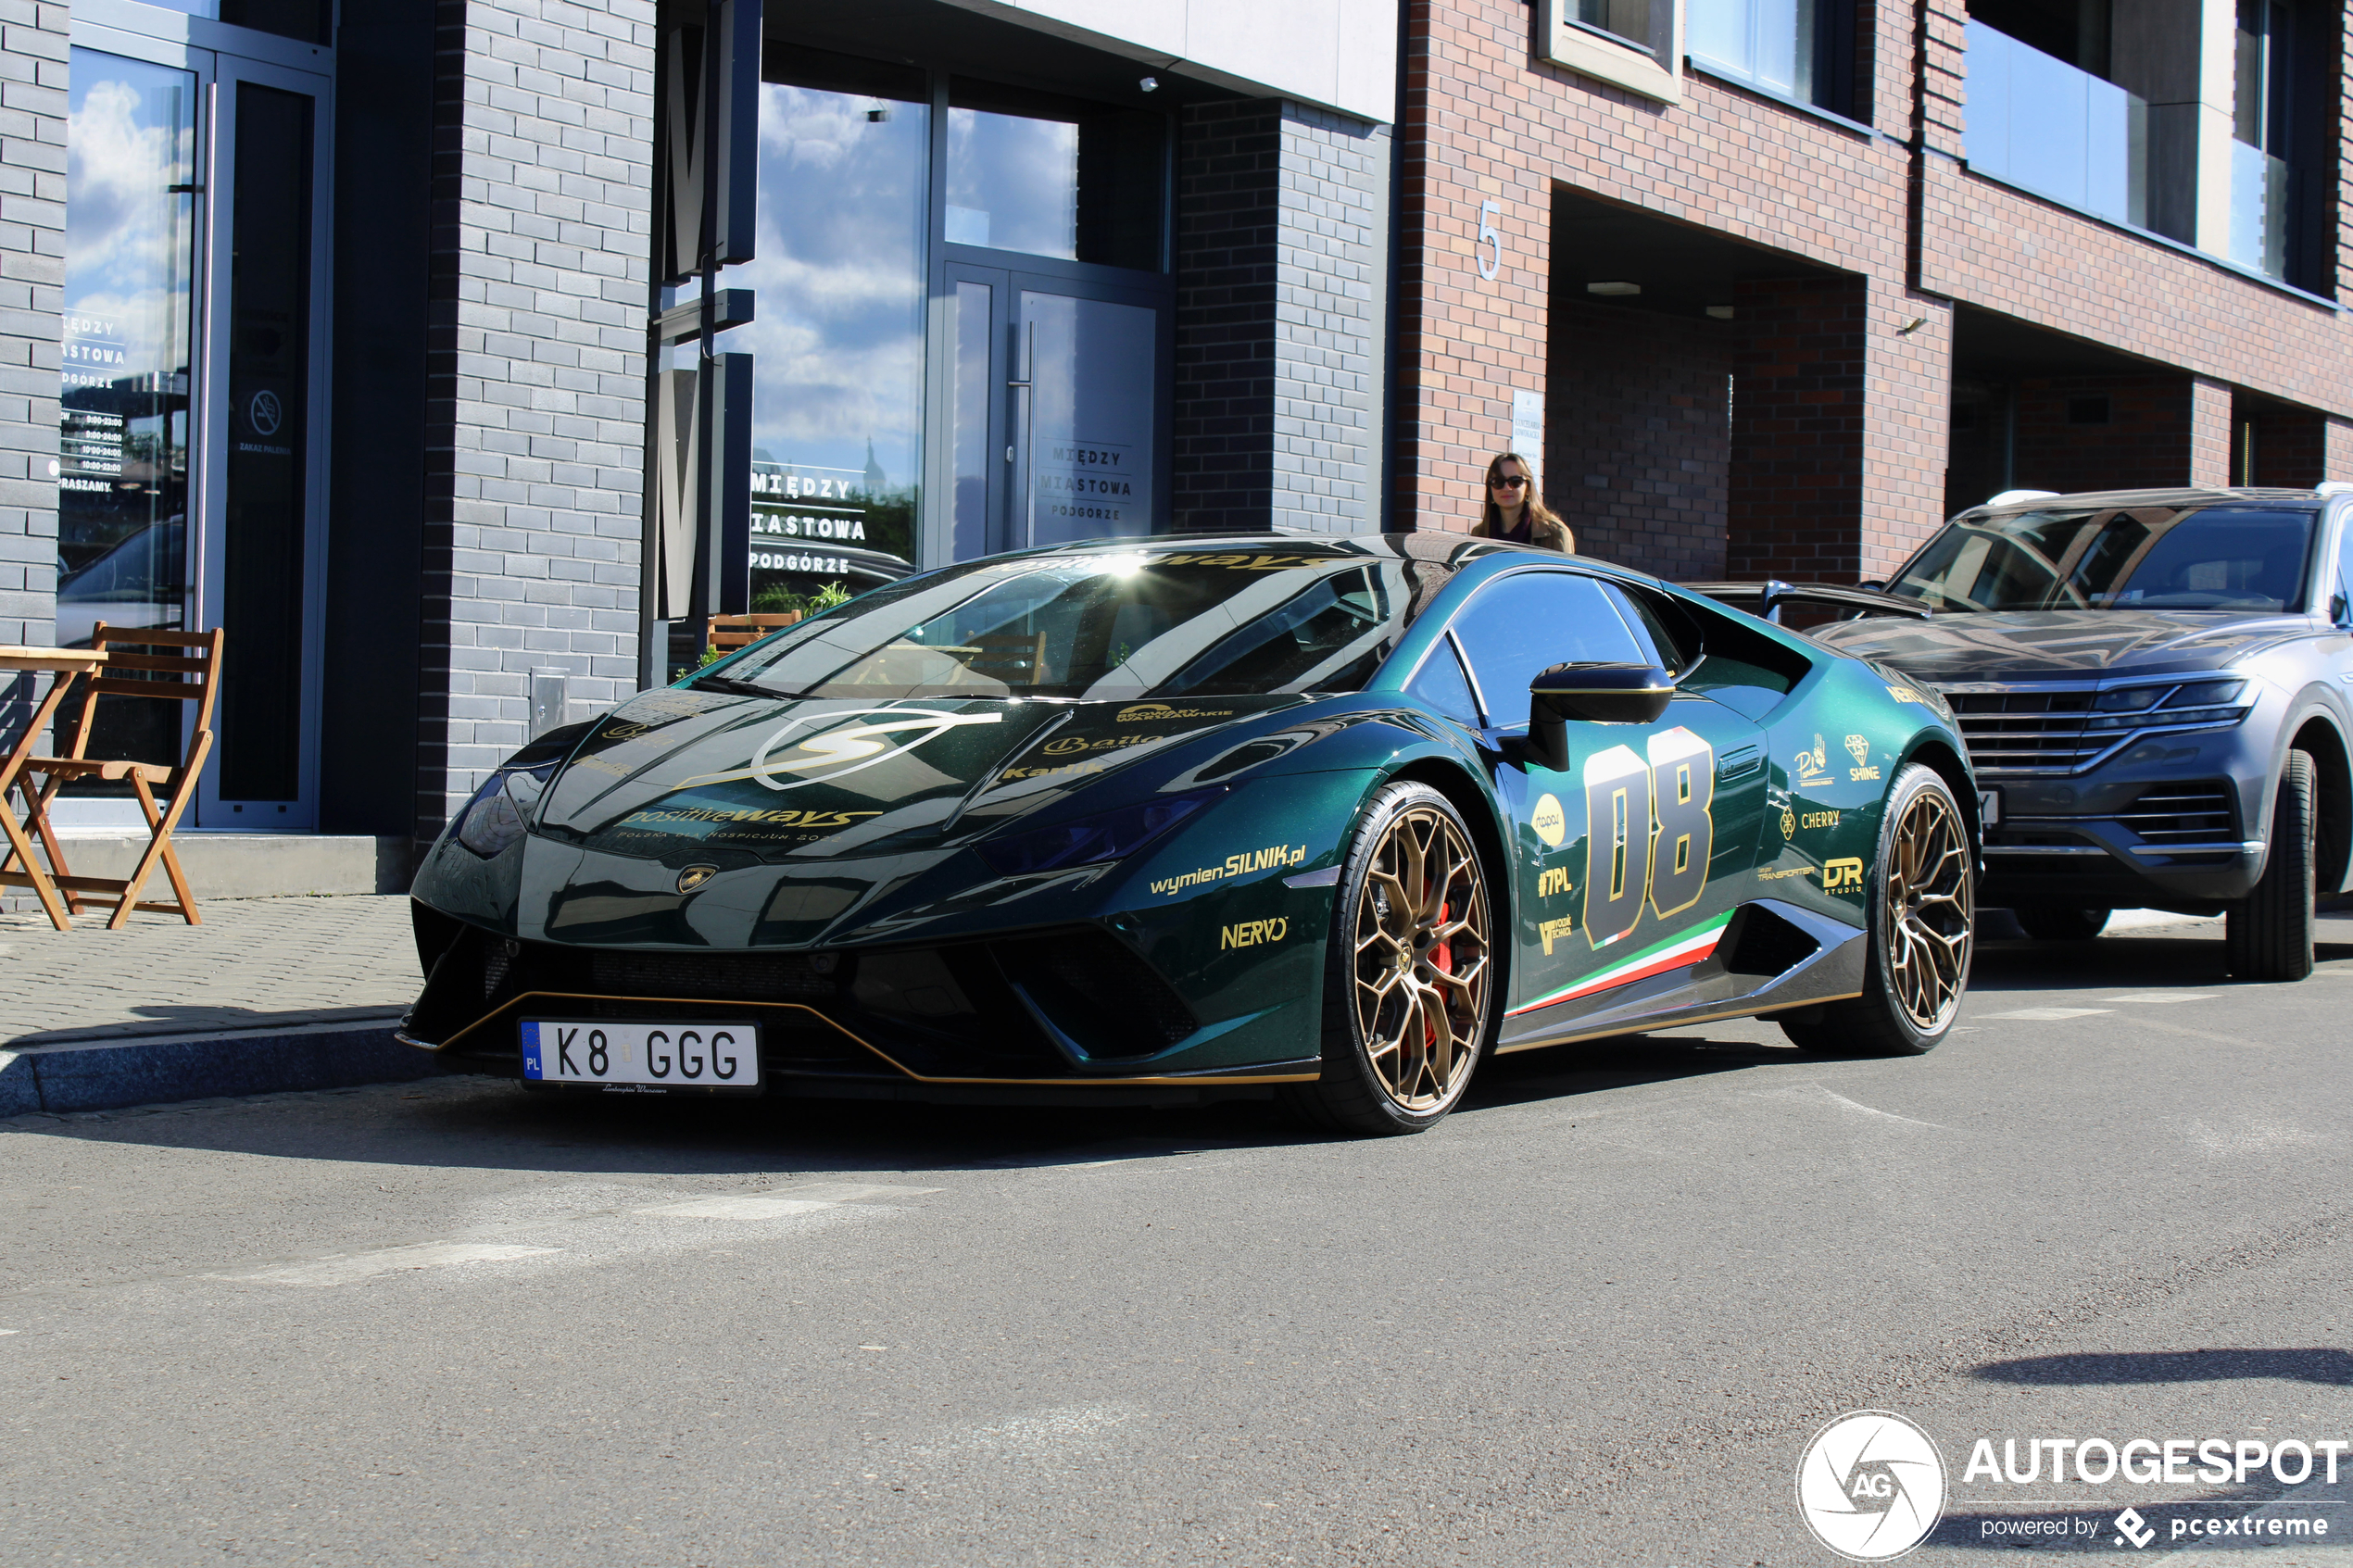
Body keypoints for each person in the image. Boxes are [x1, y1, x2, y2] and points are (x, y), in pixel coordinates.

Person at [1469, 451, 1574, 551]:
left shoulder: (1554, 533)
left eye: (1515, 482)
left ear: (1528, 488)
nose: (1507, 488)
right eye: (1498, 482)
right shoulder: (1479, 535)